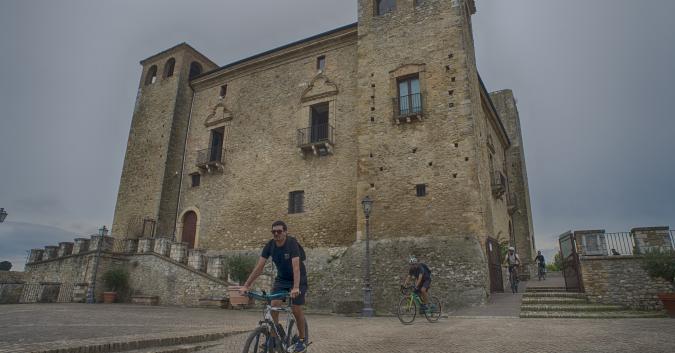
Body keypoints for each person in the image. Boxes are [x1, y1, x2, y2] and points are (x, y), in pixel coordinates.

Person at [240, 221, 308, 353]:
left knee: (295, 308)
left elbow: (296, 267)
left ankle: (301, 340)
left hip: (298, 279)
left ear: (285, 232)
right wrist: (246, 286)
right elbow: (259, 267)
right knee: (274, 304)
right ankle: (273, 339)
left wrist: (295, 287)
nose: (276, 234)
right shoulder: (270, 246)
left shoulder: (291, 243)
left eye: (279, 231)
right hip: (282, 279)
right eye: (274, 232)